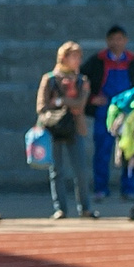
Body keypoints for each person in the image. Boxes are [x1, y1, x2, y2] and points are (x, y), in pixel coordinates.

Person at [35, 43, 93, 220]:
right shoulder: (49, 78)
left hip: (75, 128)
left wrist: (60, 101)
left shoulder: (82, 80)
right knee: (56, 171)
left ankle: (85, 208)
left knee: (81, 171)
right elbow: (41, 106)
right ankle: (60, 209)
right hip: (54, 129)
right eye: (73, 56)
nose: (77, 60)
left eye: (79, 57)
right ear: (63, 58)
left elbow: (80, 104)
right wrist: (68, 102)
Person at [88, 25, 134, 200]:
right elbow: (83, 81)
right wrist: (92, 98)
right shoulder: (97, 61)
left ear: (126, 40)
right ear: (108, 41)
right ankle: (100, 188)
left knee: (129, 150)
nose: (117, 42)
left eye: (120, 39)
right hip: (105, 112)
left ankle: (128, 189)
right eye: (113, 39)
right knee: (102, 151)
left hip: (128, 113)